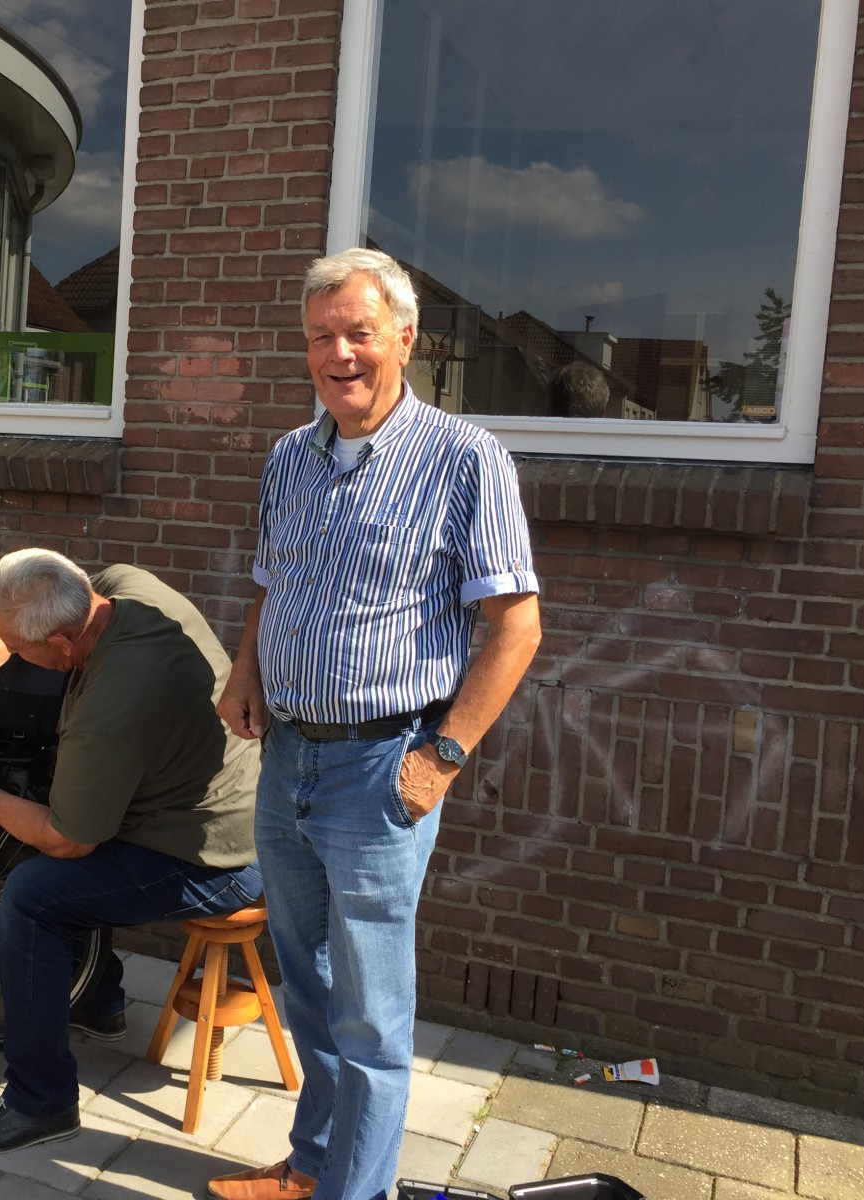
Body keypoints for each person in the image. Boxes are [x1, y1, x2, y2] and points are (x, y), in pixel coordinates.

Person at [210, 248, 541, 1200]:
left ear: (405, 337)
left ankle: (357, 1191)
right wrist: (244, 671)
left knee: (371, 1018)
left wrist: (443, 756)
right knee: (309, 985)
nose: (339, 354)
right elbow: (272, 583)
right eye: (321, 337)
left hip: (381, 766)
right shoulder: (290, 456)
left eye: (358, 332)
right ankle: (314, 1165)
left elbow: (516, 626)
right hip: (288, 759)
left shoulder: (464, 459)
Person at [0, 549, 262, 1154]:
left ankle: (39, 1103)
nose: (13, 655)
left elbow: (68, 840)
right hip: (224, 808)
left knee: (34, 895)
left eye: (21, 648)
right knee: (65, 819)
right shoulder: (128, 586)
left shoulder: (110, 708)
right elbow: (59, 579)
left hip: (219, 858)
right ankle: (98, 1002)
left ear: (61, 642)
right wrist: (1, 637)